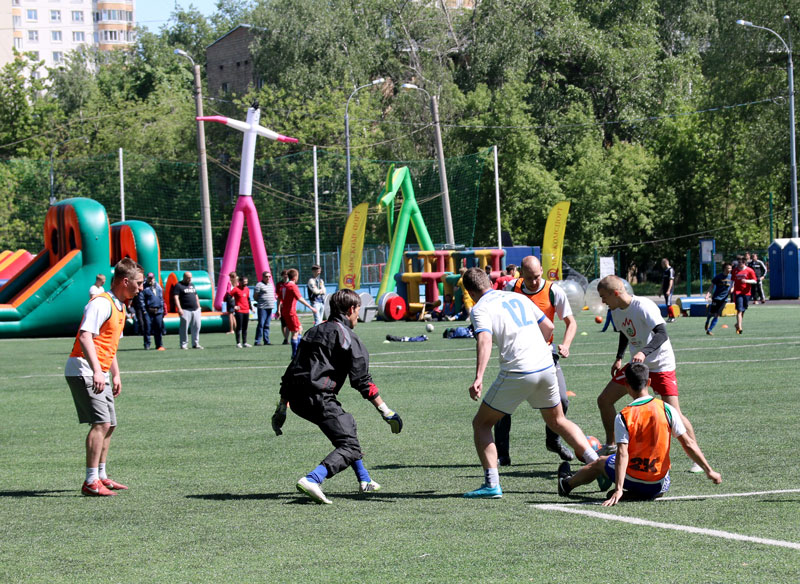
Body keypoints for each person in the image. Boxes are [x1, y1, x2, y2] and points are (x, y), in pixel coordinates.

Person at [461, 267, 598, 499]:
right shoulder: (517, 297)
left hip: (519, 370)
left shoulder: (480, 308)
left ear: (471, 292)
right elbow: (549, 327)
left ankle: (492, 484)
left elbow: (484, 339)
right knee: (558, 420)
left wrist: (479, 377)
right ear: (489, 283)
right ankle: (598, 464)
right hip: (546, 365)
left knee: (481, 424)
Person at [272, 289, 403, 505]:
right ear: (351, 309)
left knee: (347, 426)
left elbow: (292, 370)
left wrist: (281, 408)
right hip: (318, 398)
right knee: (350, 446)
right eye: (358, 310)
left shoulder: (313, 331)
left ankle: (365, 479)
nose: (358, 315)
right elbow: (362, 381)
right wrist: (386, 411)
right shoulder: (348, 337)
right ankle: (313, 479)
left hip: (296, 399)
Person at [558, 363, 721, 505]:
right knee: (658, 474)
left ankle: (566, 484)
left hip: (632, 477)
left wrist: (618, 489)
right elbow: (688, 443)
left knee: (600, 462)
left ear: (626, 385)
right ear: (648, 382)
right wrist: (709, 470)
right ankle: (639, 494)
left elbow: (622, 454)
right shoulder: (667, 409)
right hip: (658, 484)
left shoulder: (624, 415)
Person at [595, 275, 702, 472]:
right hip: (638, 365)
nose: (602, 301)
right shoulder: (615, 311)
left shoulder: (643, 306)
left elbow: (662, 333)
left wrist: (643, 352)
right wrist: (619, 357)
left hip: (661, 364)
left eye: (604, 296)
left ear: (615, 293)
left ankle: (696, 459)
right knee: (604, 400)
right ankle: (611, 445)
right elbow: (625, 333)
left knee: (674, 414)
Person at [65, 258, 144, 496]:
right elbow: (85, 336)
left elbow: (109, 345)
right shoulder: (101, 303)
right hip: (84, 369)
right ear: (125, 281)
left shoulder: (121, 306)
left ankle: (101, 476)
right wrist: (98, 370)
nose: (141, 288)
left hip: (99, 371)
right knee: (101, 423)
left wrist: (115, 373)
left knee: (110, 424)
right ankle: (90, 482)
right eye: (139, 283)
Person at [494, 255, 577, 465]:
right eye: (529, 277)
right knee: (501, 404)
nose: (533, 282)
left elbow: (571, 322)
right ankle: (502, 454)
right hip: (517, 354)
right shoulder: (511, 288)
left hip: (545, 353)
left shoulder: (554, 291)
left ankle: (553, 440)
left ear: (542, 271)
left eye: (537, 277)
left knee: (562, 400)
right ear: (521, 273)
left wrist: (566, 344)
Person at [277, 268, 317, 358]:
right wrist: (310, 307)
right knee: (295, 332)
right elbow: (300, 298)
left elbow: (279, 298)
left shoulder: (284, 286)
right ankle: (295, 354)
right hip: (291, 312)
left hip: (286, 311)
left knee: (299, 329)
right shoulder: (292, 286)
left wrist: (279, 309)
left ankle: (299, 351)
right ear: (295, 277)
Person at [173, 271, 203, 349]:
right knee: (184, 328)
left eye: (190, 278)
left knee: (197, 327)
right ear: (184, 277)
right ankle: (183, 344)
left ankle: (195, 343)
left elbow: (196, 296)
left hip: (195, 309)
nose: (189, 279)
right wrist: (179, 308)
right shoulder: (178, 285)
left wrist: (199, 307)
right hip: (185, 310)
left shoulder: (192, 285)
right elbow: (176, 298)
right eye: (188, 278)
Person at [704, 263, 733, 335]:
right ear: (724, 269)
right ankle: (707, 321)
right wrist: (708, 295)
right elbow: (712, 286)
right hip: (716, 298)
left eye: (730, 268)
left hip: (724, 300)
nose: (730, 270)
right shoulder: (718, 277)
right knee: (711, 313)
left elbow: (733, 286)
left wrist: (732, 290)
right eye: (728, 268)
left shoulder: (732, 277)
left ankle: (709, 330)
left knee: (717, 315)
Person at [732, 259, 757, 335]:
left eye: (741, 262)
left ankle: (737, 324)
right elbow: (732, 280)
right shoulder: (735, 271)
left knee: (743, 309)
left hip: (746, 293)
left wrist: (746, 281)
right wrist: (731, 288)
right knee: (739, 310)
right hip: (738, 292)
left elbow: (754, 281)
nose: (739, 264)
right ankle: (740, 327)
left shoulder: (750, 270)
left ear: (744, 263)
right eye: (738, 262)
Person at [141, 272, 165, 351]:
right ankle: (147, 344)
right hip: (148, 311)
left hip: (158, 310)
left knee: (158, 328)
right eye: (149, 278)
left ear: (154, 278)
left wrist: (162, 309)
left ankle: (159, 344)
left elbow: (161, 298)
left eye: (151, 278)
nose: (150, 280)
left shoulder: (158, 287)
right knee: (147, 328)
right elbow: (141, 300)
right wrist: (144, 311)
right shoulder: (144, 287)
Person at [253, 270, 276, 345]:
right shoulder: (259, 285)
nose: (268, 278)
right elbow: (255, 296)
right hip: (262, 307)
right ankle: (257, 341)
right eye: (266, 276)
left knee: (267, 325)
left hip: (270, 307)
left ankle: (266, 340)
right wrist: (260, 301)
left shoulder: (271, 285)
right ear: (263, 277)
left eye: (269, 276)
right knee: (261, 324)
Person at [230, 276, 253, 348]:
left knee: (245, 327)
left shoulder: (247, 289)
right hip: (239, 311)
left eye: (246, 282)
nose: (245, 283)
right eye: (244, 282)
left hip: (246, 310)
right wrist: (233, 306)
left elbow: (248, 299)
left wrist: (251, 308)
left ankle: (245, 342)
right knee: (239, 327)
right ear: (240, 282)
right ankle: (238, 343)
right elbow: (228, 297)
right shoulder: (235, 289)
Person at [276, 270, 290, 345]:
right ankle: (285, 338)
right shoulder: (279, 284)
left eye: (287, 274)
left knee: (288, 323)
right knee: (283, 323)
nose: (286, 276)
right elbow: (278, 296)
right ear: (282, 276)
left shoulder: (290, 284)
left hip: (289, 306)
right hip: (282, 306)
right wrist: (278, 308)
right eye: (284, 274)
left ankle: (286, 338)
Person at [661, 258, 675, 322]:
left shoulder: (670, 270)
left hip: (669, 289)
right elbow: (663, 281)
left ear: (665, 263)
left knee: (669, 303)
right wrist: (660, 290)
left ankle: (673, 317)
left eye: (662, 263)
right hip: (665, 289)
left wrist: (669, 290)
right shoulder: (665, 271)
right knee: (667, 303)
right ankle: (670, 317)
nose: (661, 265)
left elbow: (671, 281)